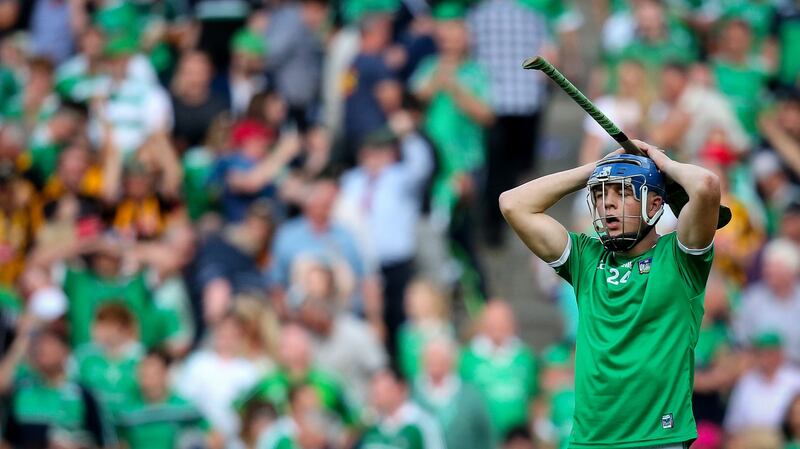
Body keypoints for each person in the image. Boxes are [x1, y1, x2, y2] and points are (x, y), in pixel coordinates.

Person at [500, 139, 721, 448]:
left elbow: (707, 185)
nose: (608, 203)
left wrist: (661, 163)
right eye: (601, 194)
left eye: (624, 192)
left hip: (657, 438)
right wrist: (596, 169)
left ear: (655, 204)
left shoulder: (681, 260)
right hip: (591, 441)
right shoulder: (586, 259)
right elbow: (513, 203)